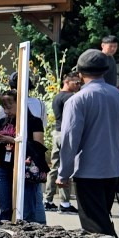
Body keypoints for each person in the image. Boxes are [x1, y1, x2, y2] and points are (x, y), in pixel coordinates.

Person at [57, 49, 119, 238]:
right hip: (112, 169)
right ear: (105, 70)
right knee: (101, 219)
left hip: (87, 171)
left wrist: (64, 173)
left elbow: (69, 139)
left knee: (94, 226)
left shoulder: (77, 100)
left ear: (80, 73)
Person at [0, 89, 46, 222]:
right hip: (3, 168)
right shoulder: (2, 122)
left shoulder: (34, 122)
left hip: (25, 170)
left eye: (9, 107)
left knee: (27, 209)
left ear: (20, 104)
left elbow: (38, 147)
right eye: (4, 107)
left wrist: (11, 140)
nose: (6, 111)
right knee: (5, 208)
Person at [45, 72, 82, 213]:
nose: (79, 86)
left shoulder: (57, 97)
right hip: (66, 134)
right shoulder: (70, 98)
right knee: (66, 167)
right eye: (76, 83)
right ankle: (65, 204)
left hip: (57, 133)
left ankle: (48, 201)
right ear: (67, 82)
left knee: (55, 168)